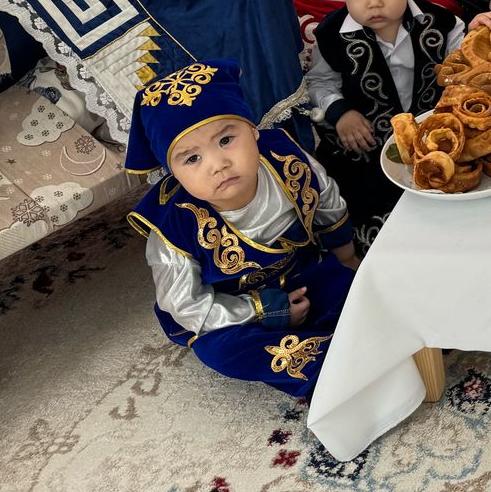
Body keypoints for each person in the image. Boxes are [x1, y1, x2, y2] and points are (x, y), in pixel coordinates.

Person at [125, 60, 358, 397]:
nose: (218, 164)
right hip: (234, 308)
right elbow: (187, 306)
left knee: (353, 286)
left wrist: (347, 257)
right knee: (221, 351)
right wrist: (264, 309)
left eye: (226, 140)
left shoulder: (285, 159)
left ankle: (358, 339)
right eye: (192, 159)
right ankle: (330, 369)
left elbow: (326, 200)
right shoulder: (172, 227)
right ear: (172, 172)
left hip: (301, 273)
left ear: (253, 131)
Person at [304, 0, 465, 251]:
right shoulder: (331, 36)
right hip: (365, 150)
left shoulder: (442, 23)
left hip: (434, 138)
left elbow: (464, 64)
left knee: (454, 203)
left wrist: (480, 31)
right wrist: (340, 113)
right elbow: (318, 83)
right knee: (367, 212)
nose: (373, 2)